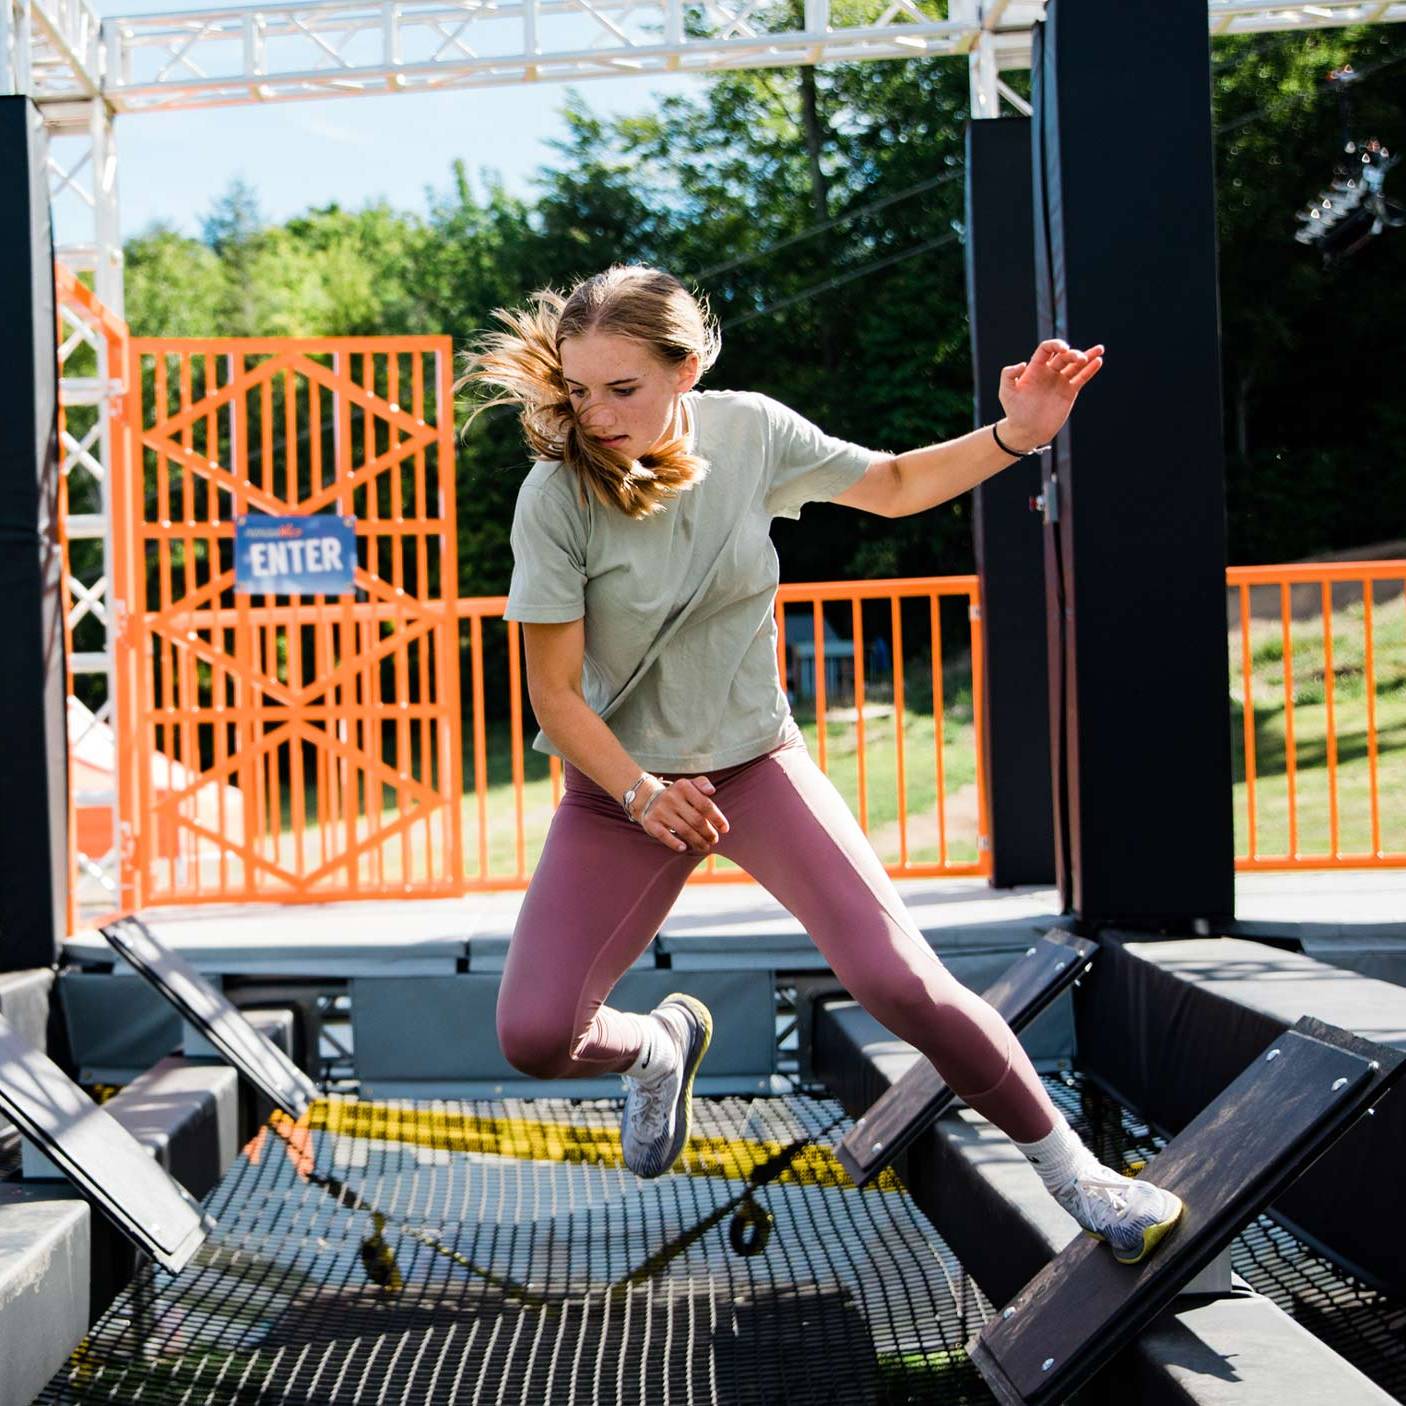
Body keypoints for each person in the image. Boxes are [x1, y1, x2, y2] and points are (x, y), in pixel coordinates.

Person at [455, 264, 1183, 1266]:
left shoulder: (749, 432)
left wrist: (1016, 434)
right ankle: (657, 1047)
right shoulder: (555, 495)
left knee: (900, 981)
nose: (596, 413)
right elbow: (554, 694)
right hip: (620, 788)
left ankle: (1080, 1175)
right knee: (535, 1033)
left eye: (621, 388)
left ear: (686, 368)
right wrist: (639, 791)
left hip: (754, 763)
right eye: (578, 389)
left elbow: (887, 486)